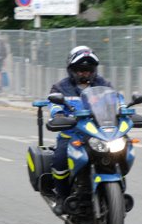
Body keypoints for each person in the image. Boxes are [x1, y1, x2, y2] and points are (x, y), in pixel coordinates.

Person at [48, 45, 113, 215]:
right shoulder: (60, 87)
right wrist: (59, 115)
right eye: (80, 70)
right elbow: (54, 107)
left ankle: (115, 191)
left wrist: (127, 112)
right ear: (71, 70)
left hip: (99, 134)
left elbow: (116, 104)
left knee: (120, 150)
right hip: (71, 134)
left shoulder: (104, 84)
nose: (85, 74)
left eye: (89, 70)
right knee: (60, 159)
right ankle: (62, 197)